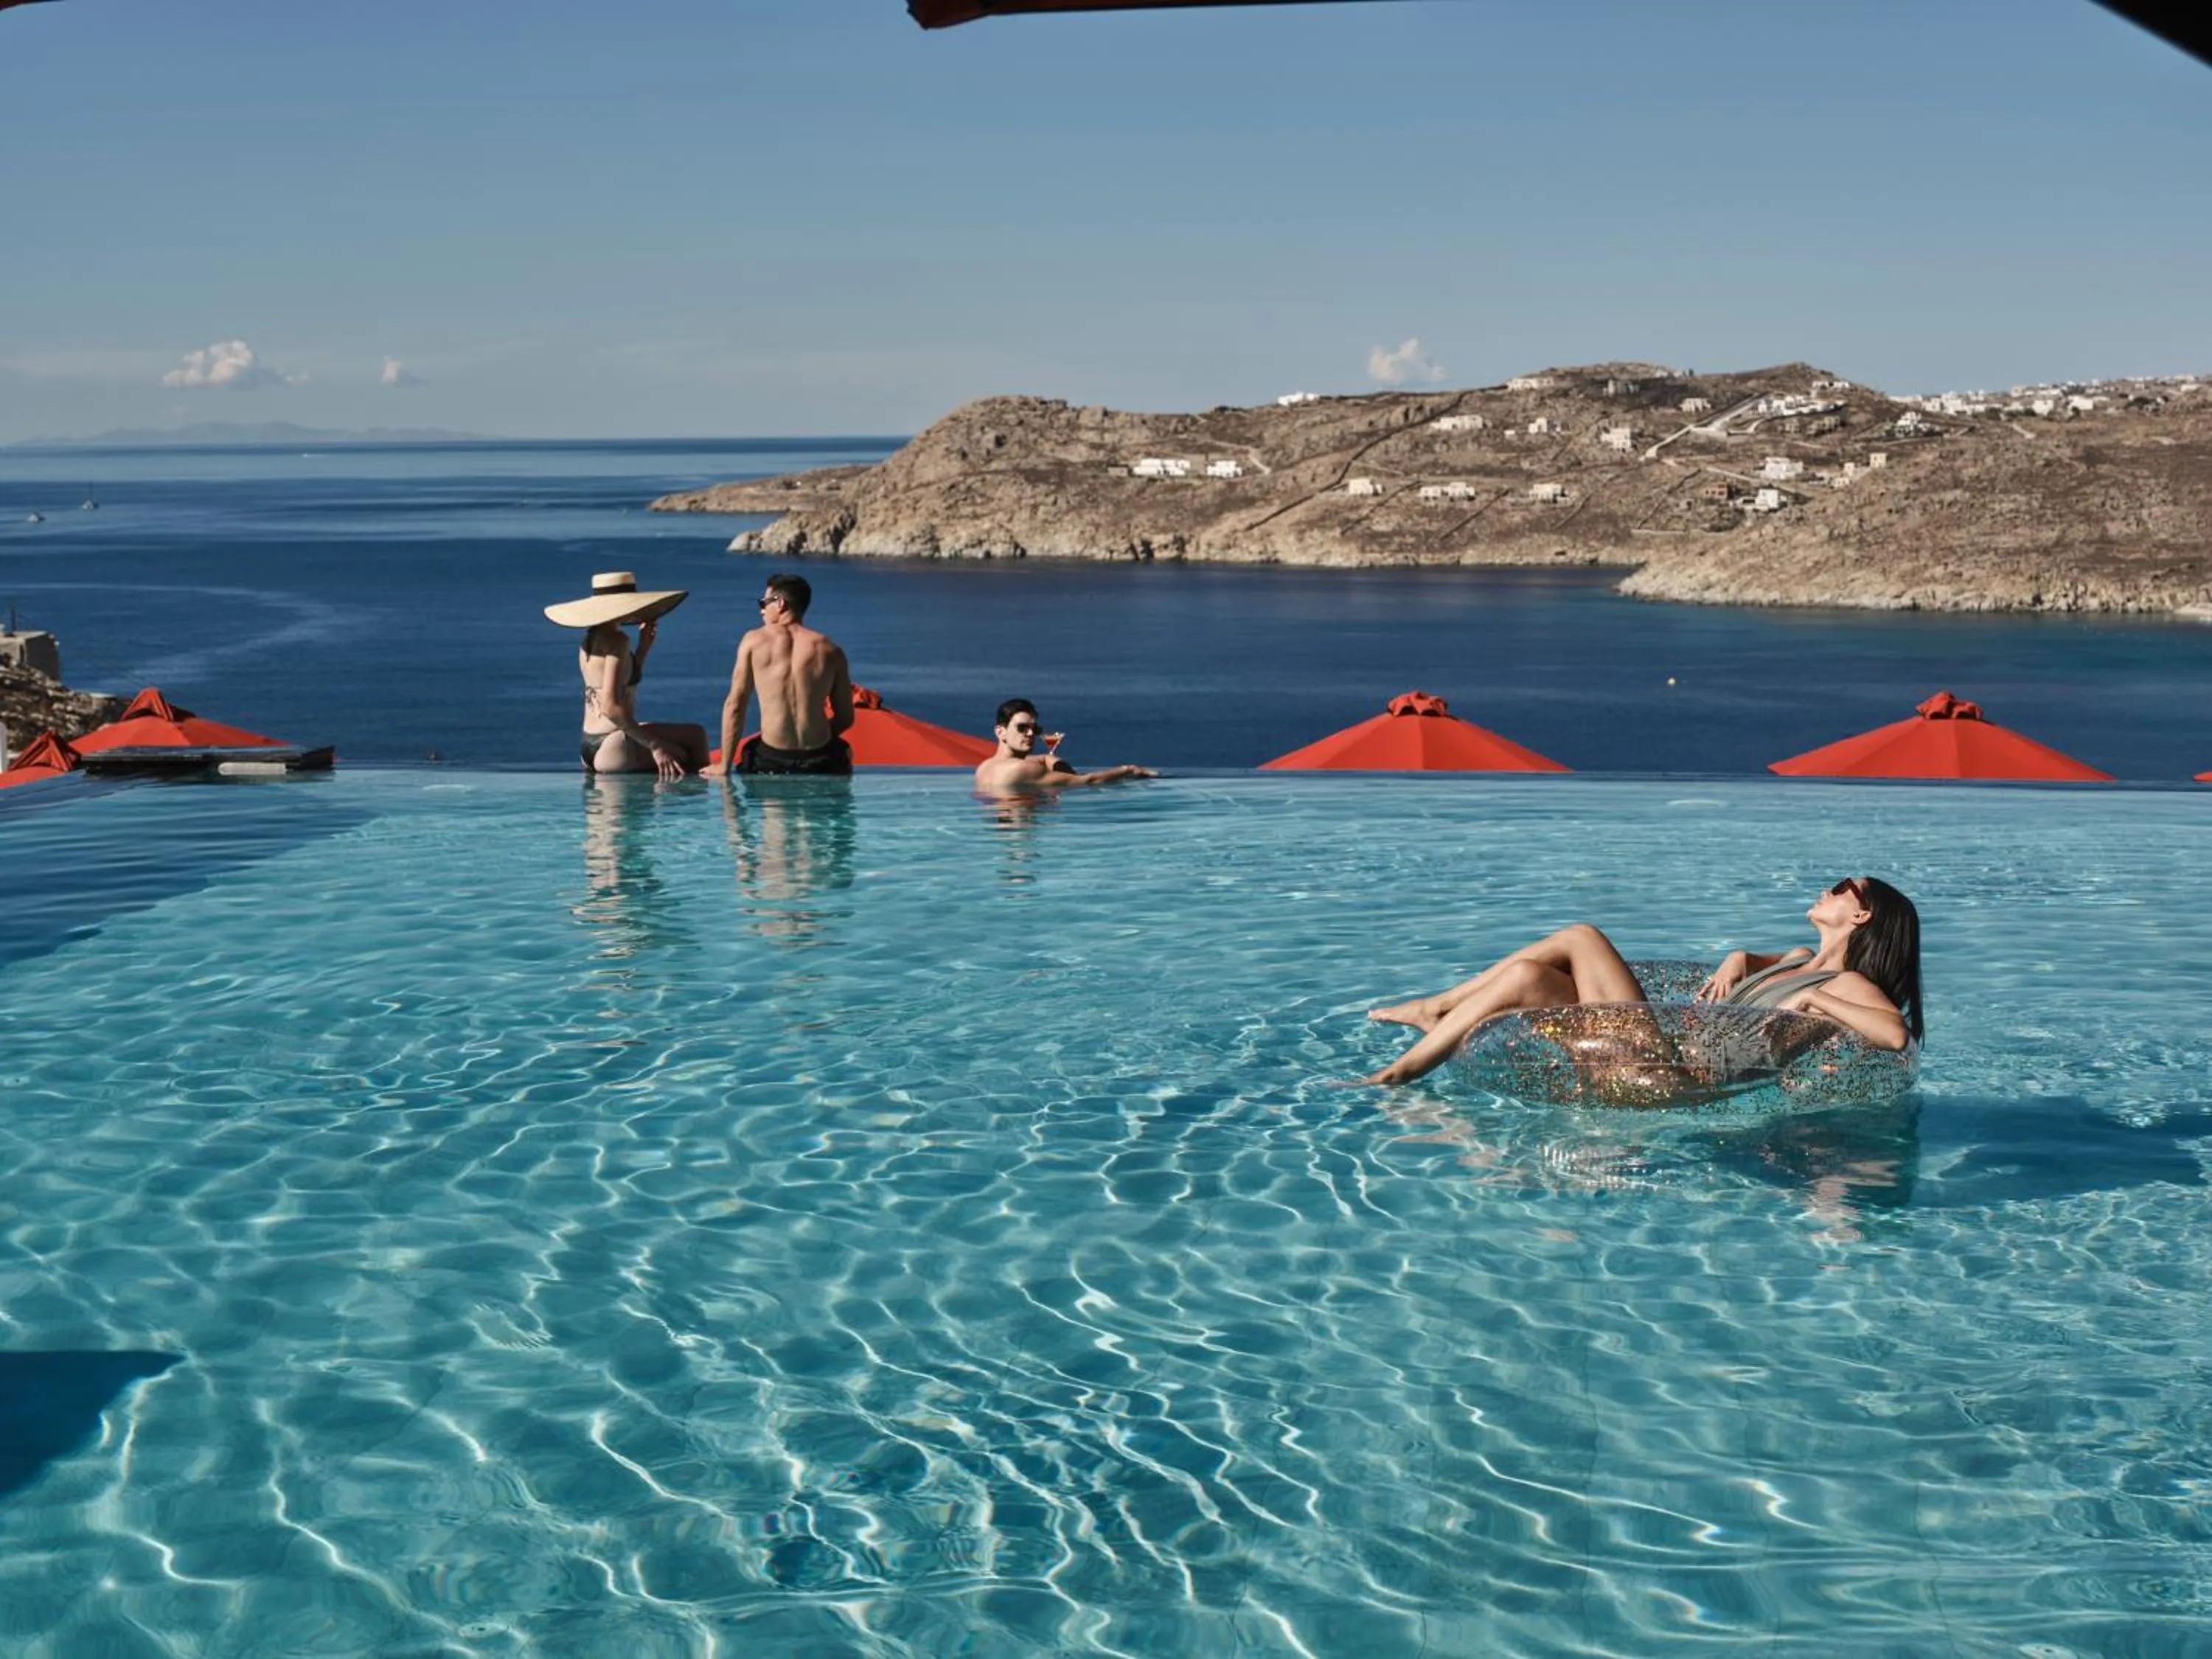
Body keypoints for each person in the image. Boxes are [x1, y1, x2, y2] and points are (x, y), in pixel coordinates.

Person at [1362, 876, 1923, 1087]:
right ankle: (1432, 1021)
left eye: (1842, 886)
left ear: (1861, 915)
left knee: (1583, 937)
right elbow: (1758, 962)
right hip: (1663, 1046)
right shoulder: (1799, 955)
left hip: (1677, 1073)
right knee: (1531, 977)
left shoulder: (1846, 983)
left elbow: (1895, 1034)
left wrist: (1815, 997)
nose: (1827, 888)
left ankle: (1402, 1066)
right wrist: (1738, 958)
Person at [545, 571, 710, 780]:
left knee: (694, 733)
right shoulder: (618, 641)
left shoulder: (588, 641)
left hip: (589, 744)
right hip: (613, 745)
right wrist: (655, 746)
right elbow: (610, 706)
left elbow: (623, 684)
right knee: (687, 752)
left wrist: (643, 648)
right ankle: (708, 799)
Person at [703, 574, 855, 777]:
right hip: (822, 759)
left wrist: (724, 765)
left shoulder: (754, 642)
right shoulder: (831, 651)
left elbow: (736, 706)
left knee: (752, 754)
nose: (762, 610)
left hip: (772, 759)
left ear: (781, 603)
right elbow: (845, 718)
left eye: (764, 603)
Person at [973, 698, 1156, 792]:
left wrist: (1050, 759)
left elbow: (1041, 758)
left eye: (1034, 729)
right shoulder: (1023, 769)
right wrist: (1128, 770)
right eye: (1022, 728)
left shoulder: (984, 768)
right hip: (1023, 837)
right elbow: (1088, 782)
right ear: (1000, 732)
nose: (1030, 734)